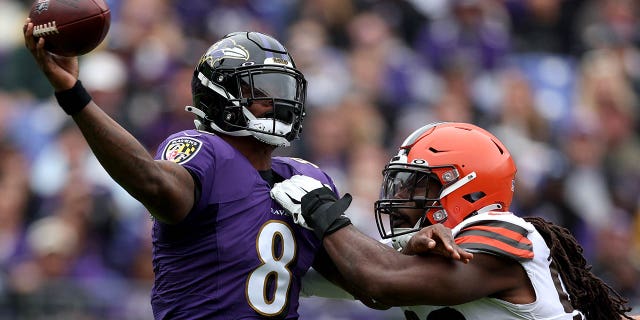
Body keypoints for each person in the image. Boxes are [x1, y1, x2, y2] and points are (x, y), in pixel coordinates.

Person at [22, 20, 470, 319]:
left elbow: (368, 281)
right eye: (261, 90)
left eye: (283, 89)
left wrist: (412, 249)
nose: (280, 102)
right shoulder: (204, 152)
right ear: (220, 96)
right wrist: (76, 96)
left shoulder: (308, 179)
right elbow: (151, 180)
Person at [271, 121, 636, 319]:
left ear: (467, 190)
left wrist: (322, 214)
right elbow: (348, 276)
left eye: (415, 185)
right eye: (397, 185)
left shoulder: (508, 232)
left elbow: (381, 281)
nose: (397, 199)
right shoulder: (420, 257)